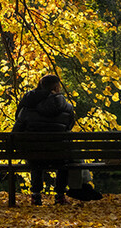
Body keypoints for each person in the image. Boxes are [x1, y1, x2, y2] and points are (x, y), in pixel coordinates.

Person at [13, 74, 75, 205]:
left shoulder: (27, 107)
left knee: (36, 157)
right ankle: (60, 195)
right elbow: (69, 126)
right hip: (59, 155)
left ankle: (36, 195)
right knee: (64, 158)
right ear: (57, 88)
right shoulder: (67, 108)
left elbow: (16, 131)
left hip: (34, 154)